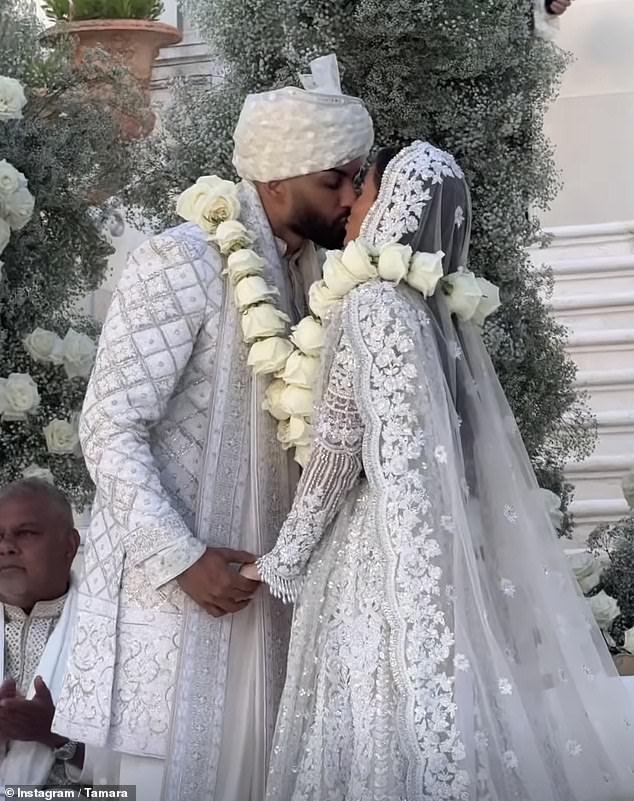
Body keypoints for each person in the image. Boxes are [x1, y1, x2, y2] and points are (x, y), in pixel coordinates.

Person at [242, 141, 634, 800]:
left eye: (362, 193)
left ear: (393, 206)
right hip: (437, 546)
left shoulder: (369, 304)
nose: (350, 207)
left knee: (374, 726)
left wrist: (280, 560)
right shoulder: (432, 313)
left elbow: (340, 449)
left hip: (374, 557)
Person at [52, 54, 373, 801]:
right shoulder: (182, 260)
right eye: (334, 180)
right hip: (181, 596)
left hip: (266, 595)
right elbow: (109, 425)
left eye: (355, 178)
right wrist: (182, 557)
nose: (350, 197)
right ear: (275, 181)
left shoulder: (312, 278)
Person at [0, 479, 82, 793]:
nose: (6, 546)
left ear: (69, 546)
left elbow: (132, 777)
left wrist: (55, 734)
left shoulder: (108, 633)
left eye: (26, 533)